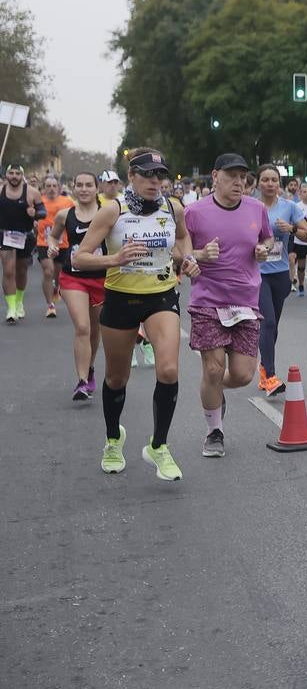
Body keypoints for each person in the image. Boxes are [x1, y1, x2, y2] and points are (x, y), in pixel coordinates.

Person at [74, 149, 197, 480]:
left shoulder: (173, 208)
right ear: (132, 176)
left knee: (169, 369)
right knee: (117, 378)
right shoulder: (113, 211)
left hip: (161, 295)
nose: (155, 182)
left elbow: (183, 238)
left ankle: (159, 446)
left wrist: (187, 258)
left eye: (160, 176)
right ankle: (114, 439)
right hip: (120, 298)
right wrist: (114, 260)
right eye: (148, 175)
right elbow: (79, 259)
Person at [183, 154, 273, 457]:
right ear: (215, 176)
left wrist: (263, 249)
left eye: (243, 177)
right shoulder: (194, 212)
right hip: (207, 298)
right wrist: (197, 255)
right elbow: (178, 252)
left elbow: (268, 239)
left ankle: (213, 391)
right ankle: (214, 432)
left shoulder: (257, 209)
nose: (239, 182)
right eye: (232, 176)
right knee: (213, 368)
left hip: (246, 300)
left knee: (243, 374)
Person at [48, 172, 106, 398]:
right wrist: (53, 246)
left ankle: (90, 368)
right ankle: (82, 381)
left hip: (102, 278)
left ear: (96, 188)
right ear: (73, 187)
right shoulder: (65, 215)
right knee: (82, 327)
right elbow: (53, 236)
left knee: (95, 329)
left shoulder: (107, 214)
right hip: (73, 277)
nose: (83, 189)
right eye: (79, 185)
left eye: (88, 185)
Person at [255, 165, 307, 395]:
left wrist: (292, 229)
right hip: (256, 274)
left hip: (280, 273)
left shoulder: (289, 207)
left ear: (279, 183)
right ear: (258, 183)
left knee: (273, 326)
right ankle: (270, 376)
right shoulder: (250, 207)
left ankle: (263, 368)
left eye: (273, 180)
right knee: (266, 323)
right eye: (265, 179)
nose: (269, 184)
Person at [2, 163, 45, 322]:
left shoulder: (32, 192)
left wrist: (36, 213)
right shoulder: (1, 191)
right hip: (5, 236)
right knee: (8, 271)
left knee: (21, 272)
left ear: (22, 176)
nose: (14, 176)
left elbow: (43, 212)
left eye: (17, 174)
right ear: (7, 175)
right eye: (11, 173)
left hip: (25, 237)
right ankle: (11, 308)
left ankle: (19, 302)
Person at [36, 175, 74, 318]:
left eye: (54, 186)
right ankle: (50, 305)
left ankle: (56, 287)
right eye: (48, 186)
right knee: (48, 271)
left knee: (57, 273)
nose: (51, 189)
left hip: (62, 243)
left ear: (59, 187)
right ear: (44, 188)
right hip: (44, 242)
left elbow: (75, 216)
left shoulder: (68, 202)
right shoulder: (39, 202)